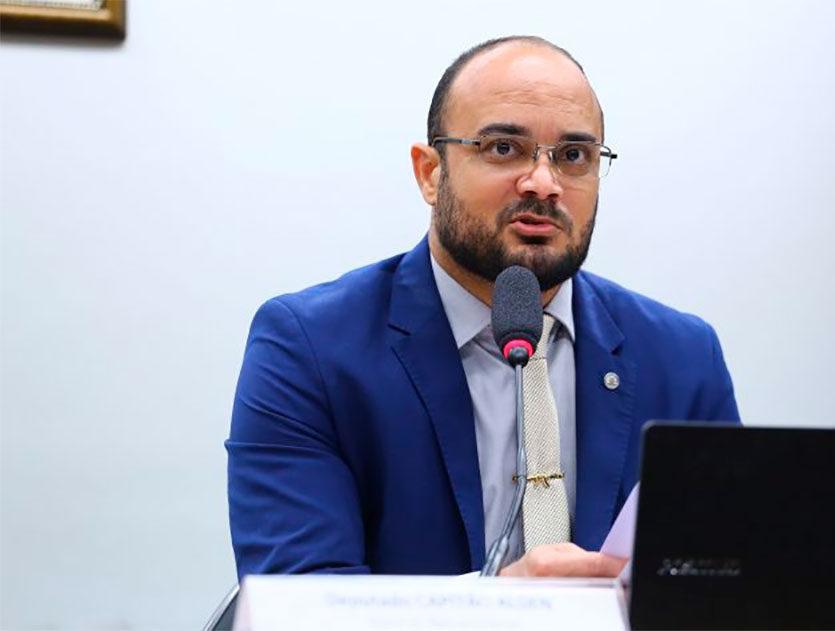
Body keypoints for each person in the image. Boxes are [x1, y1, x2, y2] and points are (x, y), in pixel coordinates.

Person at [227, 36, 740, 581]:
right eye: (503, 148)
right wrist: (492, 609)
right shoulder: (310, 348)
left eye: (573, 156)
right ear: (430, 172)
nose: (543, 184)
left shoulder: (683, 356)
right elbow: (297, 602)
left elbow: (726, 586)